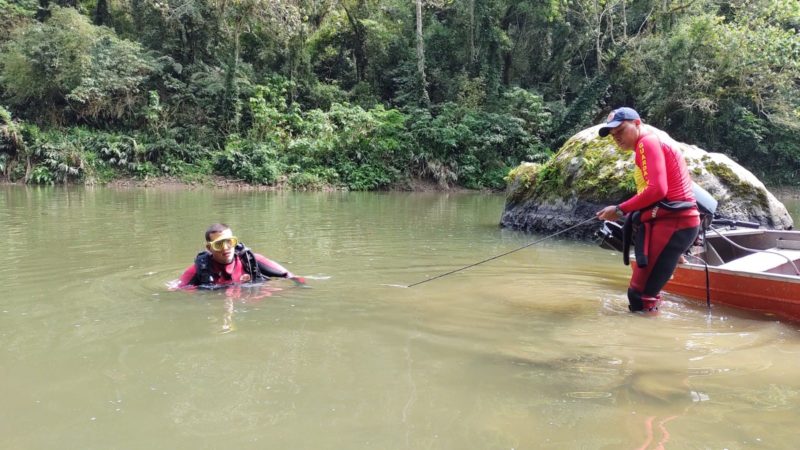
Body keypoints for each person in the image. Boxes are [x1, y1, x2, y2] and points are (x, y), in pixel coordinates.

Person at [595, 107, 700, 312]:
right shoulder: (647, 146)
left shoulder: (647, 143)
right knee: (646, 293)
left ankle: (646, 341)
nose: (616, 137)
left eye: (620, 130)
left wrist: (619, 209)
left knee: (638, 295)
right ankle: (654, 328)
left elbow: (657, 190)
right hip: (675, 224)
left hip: (674, 224)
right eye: (613, 135)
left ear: (637, 123)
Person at [177, 223, 305, 289]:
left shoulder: (251, 261)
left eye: (229, 242)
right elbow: (176, 289)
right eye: (219, 244)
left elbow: (291, 276)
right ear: (209, 248)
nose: (226, 248)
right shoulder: (198, 269)